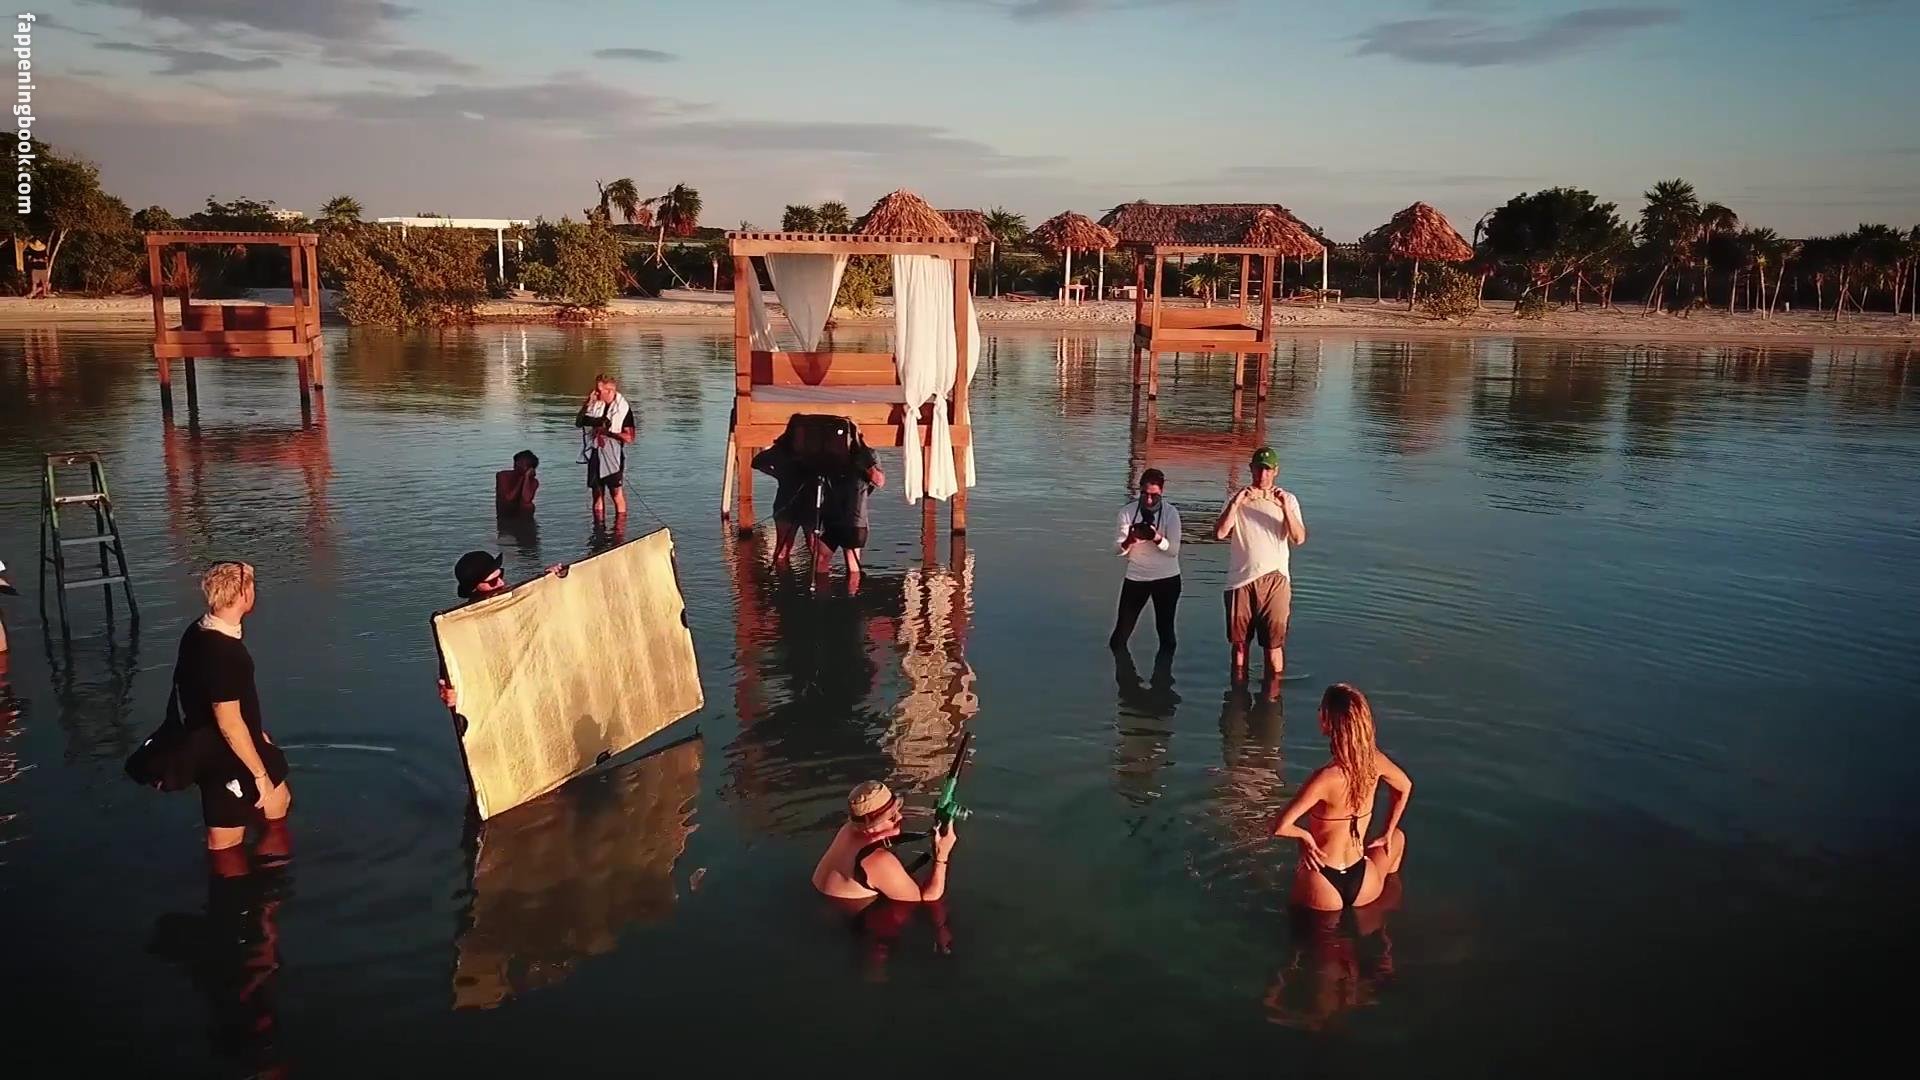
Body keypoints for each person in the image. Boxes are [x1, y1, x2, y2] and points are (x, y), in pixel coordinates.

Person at [173, 561, 292, 870]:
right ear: (244, 594)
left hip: (230, 741)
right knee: (225, 846)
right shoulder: (224, 652)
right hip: (224, 755)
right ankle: (239, 892)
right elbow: (227, 720)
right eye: (252, 587)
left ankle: (267, 877)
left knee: (279, 804)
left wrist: (257, 734)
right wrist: (259, 775)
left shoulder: (198, 631)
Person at [1270, 684, 1412, 911]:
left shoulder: (1324, 778)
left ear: (1328, 722)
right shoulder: (1375, 761)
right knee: (1397, 837)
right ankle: (1387, 918)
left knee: (1303, 926)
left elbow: (1279, 827)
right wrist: (1387, 831)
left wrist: (1305, 837)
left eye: (1321, 709)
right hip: (1364, 881)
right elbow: (1405, 786)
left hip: (1322, 881)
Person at [1213, 446, 1306, 687]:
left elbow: (1299, 538)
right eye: (1258, 469)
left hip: (1275, 580)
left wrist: (1284, 507)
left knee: (1273, 646)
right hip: (1240, 581)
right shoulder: (1236, 498)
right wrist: (1237, 502)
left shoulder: (1289, 500)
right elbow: (1220, 533)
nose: (1262, 475)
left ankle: (1272, 695)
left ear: (1275, 471)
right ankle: (1238, 692)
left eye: (1267, 470)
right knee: (1239, 646)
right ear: (1251, 469)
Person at [438, 551, 565, 713]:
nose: (501, 583)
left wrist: (551, 582)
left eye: (501, 575)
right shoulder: (461, 629)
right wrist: (448, 692)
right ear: (474, 588)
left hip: (540, 693)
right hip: (501, 705)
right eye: (492, 582)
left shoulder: (516, 603)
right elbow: (450, 674)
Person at [812, 780, 957, 903]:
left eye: (897, 810)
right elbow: (925, 899)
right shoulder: (878, 861)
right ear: (871, 827)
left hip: (820, 900)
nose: (899, 817)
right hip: (854, 913)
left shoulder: (848, 830)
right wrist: (941, 857)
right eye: (892, 817)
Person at [1110, 467, 1182, 653]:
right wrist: (1130, 540)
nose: (1149, 500)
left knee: (1166, 635)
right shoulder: (1127, 512)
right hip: (1136, 578)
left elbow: (1173, 551)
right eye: (1144, 494)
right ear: (1139, 489)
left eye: (1154, 496)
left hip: (1167, 579)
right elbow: (1117, 551)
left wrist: (1156, 538)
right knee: (1119, 638)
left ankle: (1165, 670)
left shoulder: (1171, 513)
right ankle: (1123, 670)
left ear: (1162, 492)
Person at [813, 437, 884, 580]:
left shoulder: (867, 454)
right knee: (821, 558)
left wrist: (867, 462)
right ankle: (821, 592)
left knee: (852, 564)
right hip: (832, 516)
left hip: (854, 519)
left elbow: (879, 481)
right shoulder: (828, 453)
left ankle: (853, 592)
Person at [575, 374, 635, 522]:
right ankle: (598, 527)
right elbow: (579, 422)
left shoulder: (623, 409)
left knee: (615, 492)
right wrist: (587, 403)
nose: (595, 393)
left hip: (613, 454)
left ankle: (619, 528)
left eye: (598, 390)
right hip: (595, 451)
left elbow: (629, 438)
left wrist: (608, 432)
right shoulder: (595, 406)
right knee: (597, 492)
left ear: (609, 390)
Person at [494, 450, 540, 517]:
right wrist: (521, 479)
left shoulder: (533, 481)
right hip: (505, 511)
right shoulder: (502, 475)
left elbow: (526, 499)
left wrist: (526, 478)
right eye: (516, 462)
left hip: (523, 514)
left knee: (527, 506)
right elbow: (509, 498)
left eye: (522, 463)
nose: (517, 464)